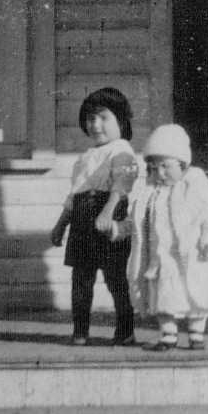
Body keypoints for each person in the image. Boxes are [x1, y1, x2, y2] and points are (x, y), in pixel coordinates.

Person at [112, 123, 208, 350]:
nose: (160, 173)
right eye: (154, 168)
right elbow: (138, 221)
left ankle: (196, 335)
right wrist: (120, 228)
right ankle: (168, 335)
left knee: (197, 294)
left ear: (183, 164)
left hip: (194, 255)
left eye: (166, 166)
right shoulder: (149, 193)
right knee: (164, 298)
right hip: (161, 259)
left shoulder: (196, 186)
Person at [50, 87, 139, 346]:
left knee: (115, 279)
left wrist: (108, 211)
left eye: (103, 118)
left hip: (107, 217)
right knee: (81, 279)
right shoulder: (86, 157)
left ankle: (125, 331)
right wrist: (60, 225)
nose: (96, 125)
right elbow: (74, 194)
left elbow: (122, 184)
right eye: (90, 119)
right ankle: (80, 331)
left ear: (120, 120)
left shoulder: (121, 149)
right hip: (81, 220)